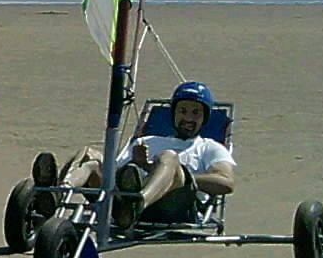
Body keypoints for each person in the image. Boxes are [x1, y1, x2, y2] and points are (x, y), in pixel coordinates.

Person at [31, 81, 236, 231]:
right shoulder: (147, 140)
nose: (188, 118)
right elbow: (114, 172)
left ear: (204, 118)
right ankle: (56, 193)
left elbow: (226, 182)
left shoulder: (210, 147)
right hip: (122, 204)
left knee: (169, 158)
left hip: (175, 205)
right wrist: (137, 163)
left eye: (195, 113)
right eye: (182, 111)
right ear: (173, 114)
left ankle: (138, 203)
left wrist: (177, 175)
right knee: (90, 157)